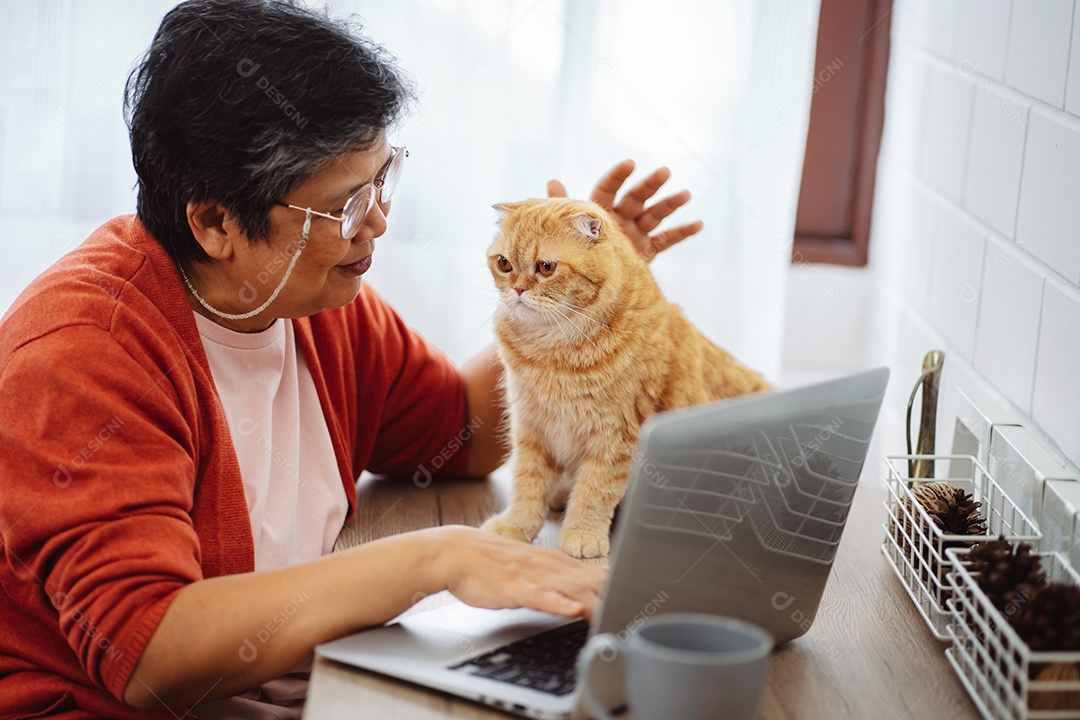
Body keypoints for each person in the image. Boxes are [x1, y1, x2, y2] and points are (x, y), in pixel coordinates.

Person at [0, 1, 704, 717]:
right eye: (344, 205)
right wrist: (437, 560)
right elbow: (151, 653)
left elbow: (460, 431)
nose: (378, 221)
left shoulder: (307, 301)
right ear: (214, 222)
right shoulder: (82, 354)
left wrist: (589, 305)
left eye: (382, 178)